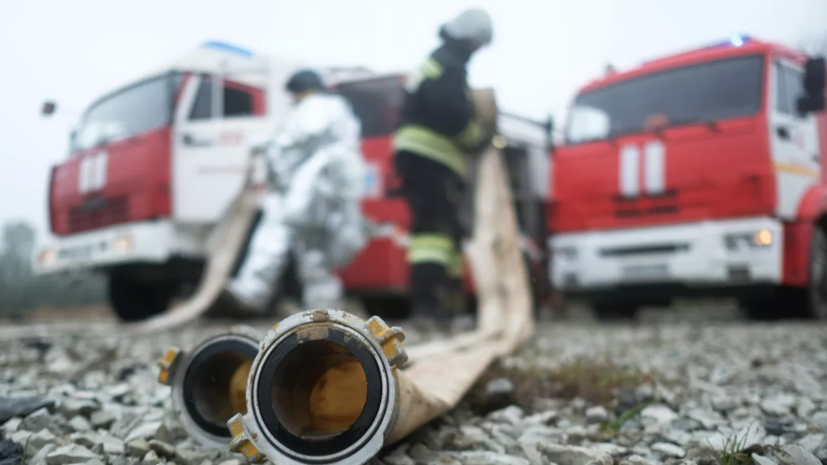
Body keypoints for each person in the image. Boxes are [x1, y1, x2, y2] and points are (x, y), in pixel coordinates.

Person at [221, 69, 367, 313]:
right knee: (314, 253)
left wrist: (267, 144)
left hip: (311, 191)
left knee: (276, 235)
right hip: (331, 193)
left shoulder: (317, 106)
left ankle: (252, 291)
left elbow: (301, 138)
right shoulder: (341, 111)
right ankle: (323, 308)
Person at [392, 8, 494, 324]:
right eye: (476, 44)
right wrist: (479, 136)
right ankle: (427, 309)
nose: (476, 51)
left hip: (426, 159)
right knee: (432, 233)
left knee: (447, 234)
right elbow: (454, 119)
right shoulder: (448, 66)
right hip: (429, 158)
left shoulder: (439, 62)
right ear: (469, 39)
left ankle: (448, 307)